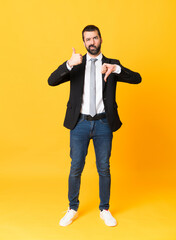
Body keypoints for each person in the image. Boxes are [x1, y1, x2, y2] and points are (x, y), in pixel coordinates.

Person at [48, 25, 142, 227]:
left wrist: (115, 69)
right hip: (79, 123)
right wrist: (68, 64)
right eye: (88, 39)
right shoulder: (77, 64)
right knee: (75, 167)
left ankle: (105, 209)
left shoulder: (111, 64)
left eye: (95, 38)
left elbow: (137, 78)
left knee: (104, 168)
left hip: (103, 123)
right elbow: (51, 81)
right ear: (83, 42)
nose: (92, 42)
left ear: (101, 39)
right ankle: (72, 208)